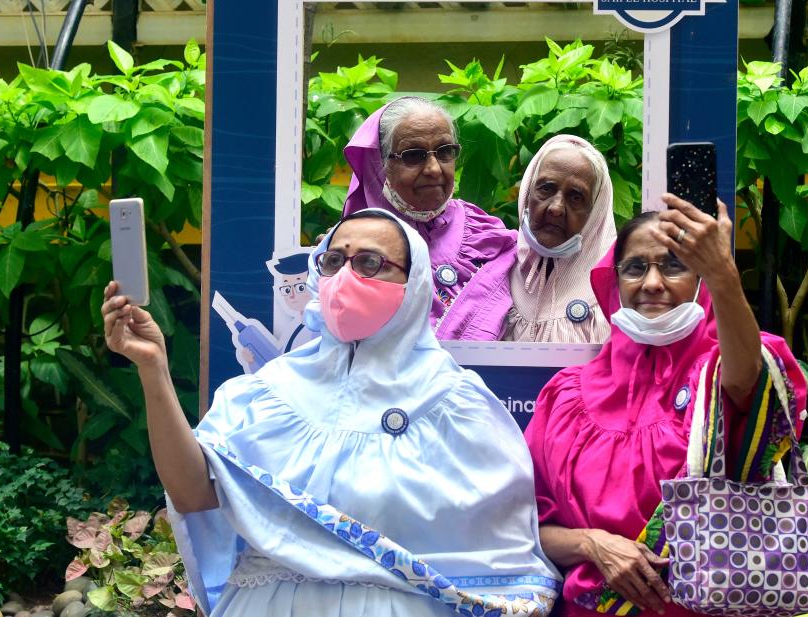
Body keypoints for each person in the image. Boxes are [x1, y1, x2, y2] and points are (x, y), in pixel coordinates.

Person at [101, 208, 561, 617]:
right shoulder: (263, 392)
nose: (345, 275)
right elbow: (192, 495)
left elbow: (501, 553)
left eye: (370, 263)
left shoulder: (457, 402)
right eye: (334, 260)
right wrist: (153, 369)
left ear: (414, 282)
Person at [523, 195, 807, 617]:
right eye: (636, 268)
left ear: (701, 279)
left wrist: (724, 273)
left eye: (673, 265)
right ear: (614, 281)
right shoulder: (566, 395)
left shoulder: (719, 374)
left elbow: (748, 380)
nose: (652, 282)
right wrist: (592, 544)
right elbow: (525, 526)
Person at [343, 96, 516, 340]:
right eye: (413, 155)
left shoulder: (483, 231)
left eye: (445, 152)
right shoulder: (347, 250)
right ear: (378, 164)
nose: (434, 169)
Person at [503, 134, 616, 343]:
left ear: (596, 211)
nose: (556, 208)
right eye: (546, 188)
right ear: (527, 194)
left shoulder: (618, 290)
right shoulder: (495, 270)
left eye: (576, 197)